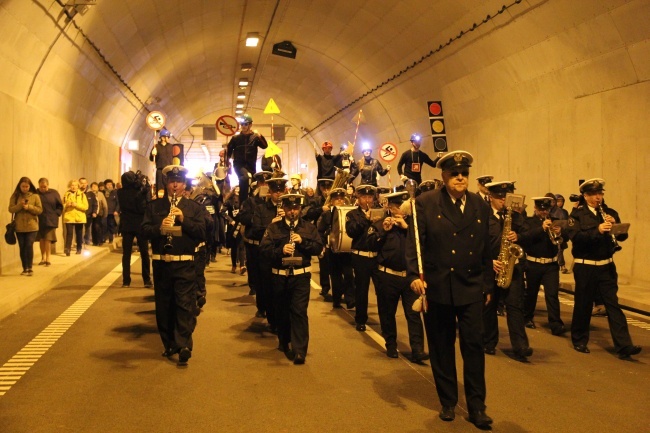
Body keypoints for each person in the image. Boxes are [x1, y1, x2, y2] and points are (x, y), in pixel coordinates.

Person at [406, 150, 493, 428]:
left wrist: (488, 283)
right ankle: (447, 402)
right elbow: (415, 243)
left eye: (464, 174)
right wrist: (413, 276)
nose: (460, 178)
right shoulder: (426, 202)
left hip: (470, 287)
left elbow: (487, 248)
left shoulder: (480, 205)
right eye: (454, 174)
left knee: (473, 347)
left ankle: (477, 406)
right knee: (442, 347)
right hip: (439, 286)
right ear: (444, 177)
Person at [566, 178, 641, 359]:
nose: (598, 198)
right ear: (585, 196)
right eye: (593, 195)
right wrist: (598, 230)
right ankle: (579, 340)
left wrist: (617, 228)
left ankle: (624, 345)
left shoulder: (609, 212)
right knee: (583, 305)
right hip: (586, 266)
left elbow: (621, 238)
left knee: (613, 305)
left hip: (606, 266)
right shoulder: (576, 215)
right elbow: (575, 237)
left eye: (600, 194)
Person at [141, 165, 206, 366]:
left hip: (185, 263)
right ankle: (169, 343)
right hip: (162, 263)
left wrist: (183, 220)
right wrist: (159, 228)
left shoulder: (193, 208)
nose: (175, 185)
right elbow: (143, 231)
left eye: (178, 182)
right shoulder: (154, 207)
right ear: (167, 184)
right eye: (171, 182)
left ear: (184, 184)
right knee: (164, 306)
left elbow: (202, 232)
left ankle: (184, 344)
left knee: (184, 305)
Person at [259, 193, 323, 365]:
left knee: (299, 311)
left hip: (301, 276)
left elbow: (318, 247)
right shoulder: (274, 228)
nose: (292, 212)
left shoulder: (308, 228)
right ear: (284, 209)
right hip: (280, 276)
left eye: (296, 208)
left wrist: (302, 242)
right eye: (289, 208)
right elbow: (263, 250)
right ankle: (284, 340)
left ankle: (300, 350)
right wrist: (281, 251)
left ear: (300, 209)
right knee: (282, 311)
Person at [368, 191, 428, 362]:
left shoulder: (414, 227)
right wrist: (384, 232)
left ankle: (417, 350)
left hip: (410, 277)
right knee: (387, 313)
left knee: (414, 314)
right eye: (395, 208)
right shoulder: (381, 224)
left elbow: (424, 245)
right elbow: (370, 245)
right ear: (389, 207)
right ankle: (391, 344)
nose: (399, 212)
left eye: (402, 208)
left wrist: (407, 227)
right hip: (387, 276)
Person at [483, 181, 532, 361]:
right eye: (499, 198)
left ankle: (520, 346)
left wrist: (518, 236)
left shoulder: (516, 217)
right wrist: (489, 262)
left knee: (515, 306)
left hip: (513, 267)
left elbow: (529, 235)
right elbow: (475, 244)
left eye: (506, 197)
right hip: (492, 266)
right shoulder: (483, 216)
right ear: (491, 197)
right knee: (489, 306)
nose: (503, 201)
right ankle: (488, 342)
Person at [518, 196, 566, 335]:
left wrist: (560, 233)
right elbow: (525, 237)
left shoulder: (554, 221)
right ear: (535, 208)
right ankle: (527, 318)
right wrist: (541, 228)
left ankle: (556, 324)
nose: (544, 212)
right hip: (534, 263)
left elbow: (565, 241)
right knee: (531, 293)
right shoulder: (529, 222)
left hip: (551, 264)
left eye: (547, 210)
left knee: (552, 295)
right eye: (541, 210)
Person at [248, 177, 287, 326]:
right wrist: (271, 225)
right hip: (266, 253)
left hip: (283, 253)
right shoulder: (261, 209)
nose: (278, 194)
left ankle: (280, 317)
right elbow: (255, 230)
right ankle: (269, 315)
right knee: (266, 286)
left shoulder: (288, 208)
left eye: (280, 191)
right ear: (269, 192)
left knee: (281, 289)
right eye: (275, 191)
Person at [345, 184, 382, 331]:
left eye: (370, 197)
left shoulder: (379, 212)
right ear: (358, 198)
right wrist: (365, 220)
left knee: (382, 290)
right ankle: (360, 319)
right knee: (361, 289)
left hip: (376, 256)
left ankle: (385, 320)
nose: (367, 200)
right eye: (364, 197)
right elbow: (351, 232)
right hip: (360, 256)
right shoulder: (352, 214)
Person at [316, 187, 355, 309]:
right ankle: (337, 299)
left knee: (349, 274)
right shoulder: (327, 214)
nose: (339, 201)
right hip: (332, 248)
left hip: (346, 249)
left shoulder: (348, 212)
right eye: (336, 199)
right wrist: (323, 244)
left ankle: (350, 299)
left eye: (341, 198)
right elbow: (320, 231)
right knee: (336, 275)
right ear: (331, 201)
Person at [116, 171, 152, 288]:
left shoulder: (120, 192)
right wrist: (146, 188)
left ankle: (126, 281)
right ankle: (146, 280)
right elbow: (145, 206)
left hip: (126, 225)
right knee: (144, 253)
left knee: (126, 254)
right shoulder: (140, 192)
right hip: (140, 224)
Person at [227, 114, 268, 203]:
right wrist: (227, 164)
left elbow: (265, 146)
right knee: (244, 178)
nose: (243, 126)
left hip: (251, 165)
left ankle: (251, 204)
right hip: (239, 165)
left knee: (252, 184)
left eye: (245, 124)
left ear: (250, 125)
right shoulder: (235, 138)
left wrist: (260, 136)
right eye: (242, 124)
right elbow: (229, 150)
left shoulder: (255, 137)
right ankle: (243, 203)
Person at [305, 178, 334, 299]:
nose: (326, 191)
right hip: (321, 234)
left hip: (335, 234)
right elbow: (308, 213)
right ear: (320, 188)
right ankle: (325, 288)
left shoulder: (337, 198)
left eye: (328, 188)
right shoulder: (316, 200)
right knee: (324, 262)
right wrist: (321, 209)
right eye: (324, 188)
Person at [8, 177, 43, 275]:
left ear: (30, 186)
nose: (25, 188)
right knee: (22, 247)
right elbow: (11, 209)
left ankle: (30, 267)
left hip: (32, 226)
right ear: (19, 186)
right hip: (19, 226)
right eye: (23, 186)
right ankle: (25, 268)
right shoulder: (15, 196)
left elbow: (40, 210)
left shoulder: (35, 196)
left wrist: (29, 207)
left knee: (29, 245)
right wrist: (20, 205)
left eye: (27, 186)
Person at [36, 178, 63, 267]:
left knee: (48, 239)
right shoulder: (36, 193)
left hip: (51, 219)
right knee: (41, 239)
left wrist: (56, 214)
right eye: (41, 187)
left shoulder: (54, 193)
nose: (43, 188)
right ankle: (43, 257)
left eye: (45, 187)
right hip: (39, 219)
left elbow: (60, 205)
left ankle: (48, 258)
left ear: (48, 185)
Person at [221, 186, 246, 274]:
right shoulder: (229, 201)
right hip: (233, 226)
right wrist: (230, 220)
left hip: (242, 225)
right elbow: (222, 212)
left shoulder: (244, 199)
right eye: (236, 188)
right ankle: (234, 265)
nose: (238, 190)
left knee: (242, 245)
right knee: (234, 247)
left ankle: (242, 266)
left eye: (240, 188)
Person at [62, 179, 88, 256]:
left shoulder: (82, 195)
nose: (74, 187)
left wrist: (76, 205)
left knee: (79, 233)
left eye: (75, 185)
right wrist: (67, 205)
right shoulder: (66, 194)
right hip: (69, 217)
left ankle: (79, 248)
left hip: (79, 217)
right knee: (69, 233)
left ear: (78, 186)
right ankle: (67, 249)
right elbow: (62, 205)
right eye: (72, 185)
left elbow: (85, 207)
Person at [149, 128, 175, 194]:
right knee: (160, 189)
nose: (169, 138)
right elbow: (151, 158)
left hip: (169, 171)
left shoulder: (172, 147)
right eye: (167, 137)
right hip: (160, 170)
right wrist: (153, 154)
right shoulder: (156, 147)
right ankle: (160, 201)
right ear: (162, 138)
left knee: (169, 188)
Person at [554, 193, 571, 273]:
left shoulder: (564, 211)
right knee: (559, 249)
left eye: (561, 201)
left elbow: (567, 222)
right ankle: (562, 265)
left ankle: (560, 264)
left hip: (563, 232)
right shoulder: (552, 211)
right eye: (558, 201)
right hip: (554, 232)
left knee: (561, 249)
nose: (560, 203)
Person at [79, 177, 96, 246]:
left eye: (84, 183)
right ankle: (80, 242)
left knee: (88, 228)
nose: (83, 185)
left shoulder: (91, 193)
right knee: (80, 229)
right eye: (81, 183)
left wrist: (94, 212)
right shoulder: (77, 193)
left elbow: (95, 204)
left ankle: (87, 242)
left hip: (88, 214)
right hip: (79, 214)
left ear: (87, 183)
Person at [103, 179, 120, 243]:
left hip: (112, 212)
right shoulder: (103, 193)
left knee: (111, 225)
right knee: (104, 225)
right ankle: (104, 238)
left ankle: (110, 238)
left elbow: (118, 203)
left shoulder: (115, 192)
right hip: (104, 212)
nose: (109, 186)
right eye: (107, 184)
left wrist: (116, 211)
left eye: (110, 184)